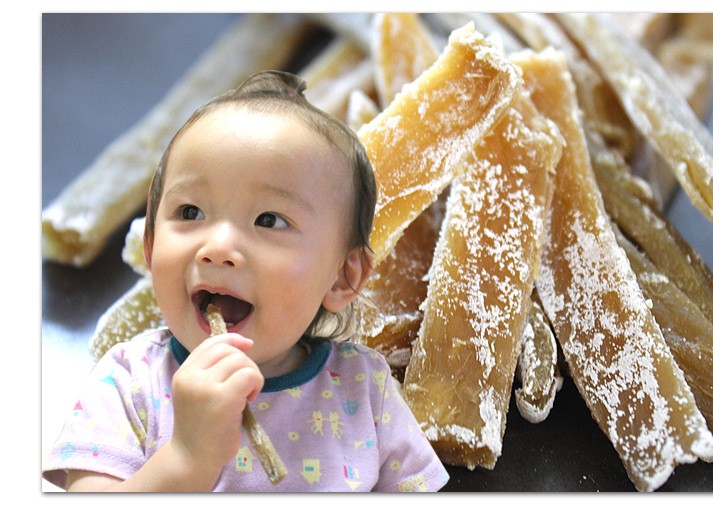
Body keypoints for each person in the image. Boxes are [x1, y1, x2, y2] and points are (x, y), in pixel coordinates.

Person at [43, 70, 449, 492]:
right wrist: (187, 458)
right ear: (150, 245)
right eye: (190, 213)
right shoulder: (129, 382)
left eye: (268, 220)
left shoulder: (366, 389)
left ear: (342, 277)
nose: (217, 247)